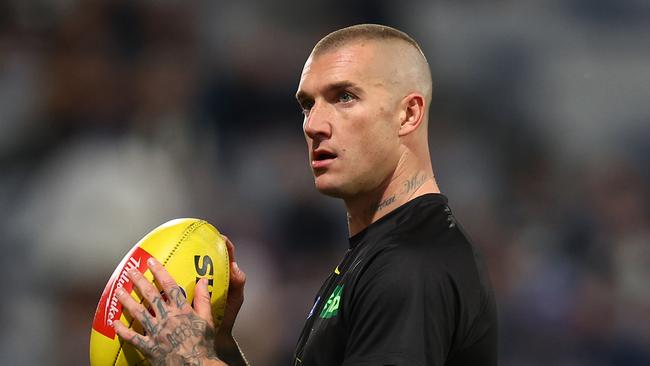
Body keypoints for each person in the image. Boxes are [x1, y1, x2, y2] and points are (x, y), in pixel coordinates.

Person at [113, 24, 498, 366]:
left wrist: (193, 362)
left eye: (344, 97)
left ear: (408, 114)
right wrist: (221, 348)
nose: (314, 125)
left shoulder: (411, 266)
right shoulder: (380, 251)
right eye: (307, 105)